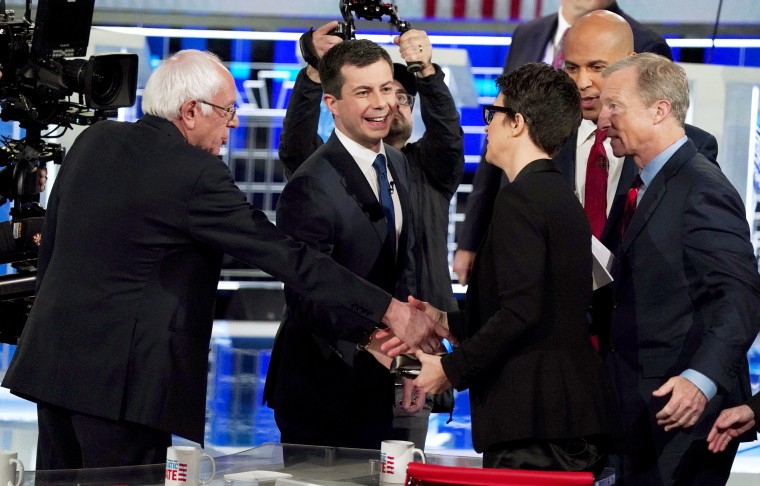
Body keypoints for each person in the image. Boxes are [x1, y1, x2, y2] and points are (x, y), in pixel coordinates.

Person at [0, 49, 446, 470]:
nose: (232, 125)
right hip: (123, 387)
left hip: (54, 369)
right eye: (228, 111)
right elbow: (287, 257)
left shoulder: (94, 140)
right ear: (191, 111)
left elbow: (51, 248)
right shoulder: (194, 174)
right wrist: (390, 310)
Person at [411, 63, 618, 475]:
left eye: (494, 114)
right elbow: (543, 307)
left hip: (535, 424)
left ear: (517, 123)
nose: (487, 127)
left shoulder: (521, 199)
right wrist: (447, 321)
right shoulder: (556, 193)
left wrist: (451, 369)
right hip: (561, 418)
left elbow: (522, 311)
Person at [278, 21, 464, 448]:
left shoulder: (398, 165)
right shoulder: (310, 183)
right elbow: (305, 293)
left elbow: (403, 271)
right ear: (333, 103)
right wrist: (371, 340)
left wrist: (412, 348)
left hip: (386, 387)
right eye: (363, 93)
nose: (382, 104)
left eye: (386, 89)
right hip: (323, 388)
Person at [597, 52, 760, 484]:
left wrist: (700, 379)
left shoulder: (702, 188)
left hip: (683, 423)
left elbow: (741, 296)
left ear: (659, 110)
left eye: (614, 106)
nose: (602, 118)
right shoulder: (639, 183)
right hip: (636, 411)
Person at [453, 0, 673, 285]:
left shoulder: (648, 44)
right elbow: (502, 134)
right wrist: (472, 237)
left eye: (597, 67)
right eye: (571, 68)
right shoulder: (527, 35)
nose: (582, 82)